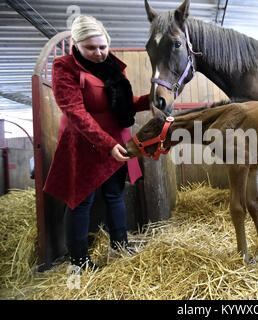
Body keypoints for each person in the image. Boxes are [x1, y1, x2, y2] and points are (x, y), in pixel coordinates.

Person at [43, 15, 150, 270]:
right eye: (91, 48)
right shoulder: (64, 67)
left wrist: (153, 99)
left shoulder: (113, 68)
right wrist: (106, 144)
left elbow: (127, 103)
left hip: (116, 140)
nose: (99, 53)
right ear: (77, 44)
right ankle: (79, 261)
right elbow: (75, 112)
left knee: (115, 195)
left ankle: (120, 245)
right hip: (83, 144)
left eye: (103, 46)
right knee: (81, 200)